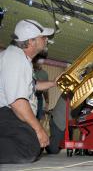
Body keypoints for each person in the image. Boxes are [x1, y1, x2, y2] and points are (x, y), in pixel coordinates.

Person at [0, 19, 57, 164]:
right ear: (31, 41)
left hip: (8, 112)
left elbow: (32, 85)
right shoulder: (15, 59)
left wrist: (53, 83)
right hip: (5, 112)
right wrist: (39, 129)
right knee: (29, 147)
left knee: (34, 144)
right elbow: (18, 102)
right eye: (43, 37)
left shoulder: (20, 58)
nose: (46, 40)